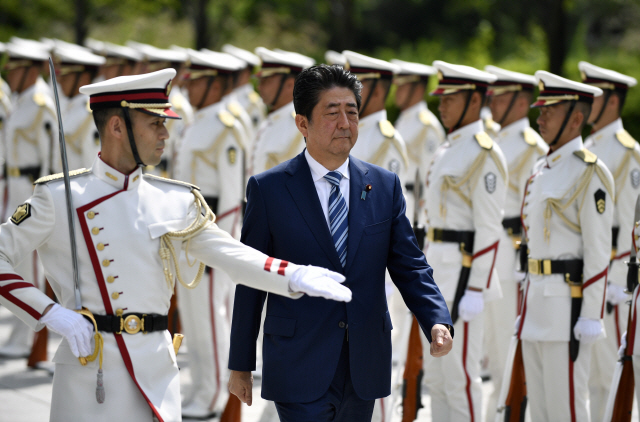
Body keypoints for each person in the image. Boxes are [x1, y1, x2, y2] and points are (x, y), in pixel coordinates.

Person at [0, 68, 352, 422]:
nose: (165, 134)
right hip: (90, 373)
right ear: (117, 127)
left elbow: (230, 254)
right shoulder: (59, 197)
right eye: (154, 123)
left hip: (155, 373)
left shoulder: (174, 200)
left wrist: (294, 275)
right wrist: (49, 313)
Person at [227, 64, 453, 422]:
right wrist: (240, 363)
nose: (345, 124)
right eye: (332, 114)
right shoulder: (269, 190)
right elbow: (252, 278)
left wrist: (436, 318)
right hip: (298, 361)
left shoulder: (384, 186)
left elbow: (409, 264)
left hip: (363, 363)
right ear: (303, 123)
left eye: (352, 112)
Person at [518, 71, 612, 422]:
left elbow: (598, 250)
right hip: (536, 304)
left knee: (567, 410)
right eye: (540, 110)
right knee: (540, 411)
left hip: (567, 311)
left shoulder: (590, 172)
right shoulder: (541, 169)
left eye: (549, 111)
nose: (539, 117)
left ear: (575, 118)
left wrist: (591, 315)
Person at [421, 60, 506, 422]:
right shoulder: (448, 148)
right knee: (437, 378)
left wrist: (476, 288)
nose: (441, 104)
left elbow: (489, 227)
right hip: (437, 270)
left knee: (459, 378)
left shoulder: (484, 152)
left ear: (473, 100)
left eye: (450, 97)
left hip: (462, 275)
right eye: (440, 96)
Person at [173, 49, 248, 420]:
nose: (189, 88)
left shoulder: (226, 126)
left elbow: (234, 198)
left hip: (210, 236)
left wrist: (222, 248)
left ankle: (217, 393)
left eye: (197, 81)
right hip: (186, 234)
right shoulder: (196, 123)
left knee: (210, 316)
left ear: (215, 84)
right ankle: (201, 386)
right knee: (193, 317)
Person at [482, 65, 548, 421]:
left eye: (501, 97)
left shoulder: (531, 146)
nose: (493, 104)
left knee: (509, 342)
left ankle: (510, 412)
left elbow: (534, 213)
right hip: (488, 254)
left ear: (522, 103)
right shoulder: (490, 140)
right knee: (491, 347)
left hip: (512, 256)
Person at [578, 61, 639, 422]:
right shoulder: (592, 144)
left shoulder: (626, 151)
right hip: (590, 273)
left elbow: (631, 222)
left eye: (595, 96)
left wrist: (618, 281)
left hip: (613, 282)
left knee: (609, 375)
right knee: (589, 376)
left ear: (612, 102)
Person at [0, 40, 57, 359]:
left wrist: (45, 199)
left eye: (16, 67)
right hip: (14, 186)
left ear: (31, 69)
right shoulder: (22, 101)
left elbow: (50, 159)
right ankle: (21, 334)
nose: (9, 73)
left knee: (30, 266)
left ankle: (27, 338)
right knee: (16, 261)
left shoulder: (39, 103)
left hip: (32, 190)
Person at [247, 47, 314, 178]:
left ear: (290, 85)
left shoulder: (300, 125)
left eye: (266, 81)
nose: (259, 86)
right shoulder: (271, 120)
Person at [53, 44, 105, 170]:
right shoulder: (70, 108)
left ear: (84, 78)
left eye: (66, 75)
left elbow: (91, 165)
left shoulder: (89, 114)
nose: (60, 80)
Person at [222, 44, 267, 133]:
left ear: (247, 73)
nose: (231, 76)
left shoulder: (254, 103)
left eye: (235, 72)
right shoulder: (224, 94)